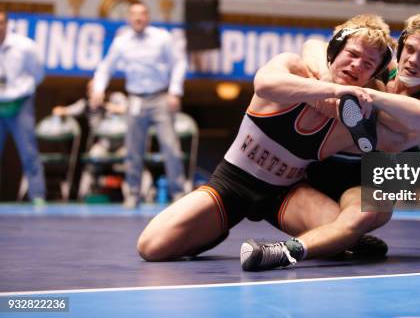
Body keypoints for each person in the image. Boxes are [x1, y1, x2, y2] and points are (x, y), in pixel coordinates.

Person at [136, 14, 401, 262]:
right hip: (232, 184)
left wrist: (389, 80)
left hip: (286, 194)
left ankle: (344, 243)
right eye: (353, 54)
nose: (356, 65)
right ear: (334, 51)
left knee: (345, 231)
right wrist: (334, 90)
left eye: (367, 64)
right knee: (150, 247)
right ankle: (215, 229)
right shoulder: (293, 68)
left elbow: (415, 130)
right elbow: (264, 83)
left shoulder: (351, 120)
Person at [241, 10, 420, 271]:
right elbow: (313, 45)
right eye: (410, 49)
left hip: (369, 184)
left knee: (363, 213)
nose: (412, 60)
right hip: (320, 173)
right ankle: (352, 241)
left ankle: (282, 253)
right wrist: (327, 80)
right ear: (400, 46)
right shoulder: (381, 69)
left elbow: (413, 125)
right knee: (338, 229)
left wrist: (365, 94)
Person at [90, 3, 187, 209]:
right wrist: (99, 89)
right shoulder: (121, 41)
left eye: (142, 14)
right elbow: (105, 67)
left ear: (148, 17)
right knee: (133, 149)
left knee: (170, 147)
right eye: (134, 15)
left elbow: (179, 63)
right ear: (128, 18)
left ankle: (178, 193)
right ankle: (133, 194)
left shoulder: (162, 38)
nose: (138, 18)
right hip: (135, 98)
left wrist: (175, 91)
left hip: (160, 97)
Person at [0, 9, 46, 205]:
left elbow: (38, 74)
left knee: (29, 152)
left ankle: (37, 196)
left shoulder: (25, 46)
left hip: (20, 103)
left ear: (7, 24)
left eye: (1, 22)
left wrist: (20, 90)